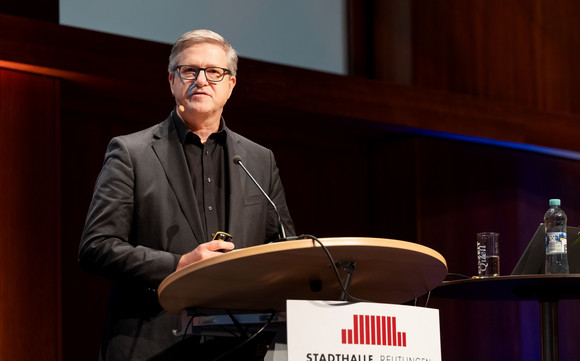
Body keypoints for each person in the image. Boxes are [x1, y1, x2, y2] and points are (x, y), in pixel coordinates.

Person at [79, 29, 295, 361]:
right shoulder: (131, 153)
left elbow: (283, 247)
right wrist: (179, 265)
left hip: (239, 345)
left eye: (214, 72)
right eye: (189, 70)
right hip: (153, 344)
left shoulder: (258, 160)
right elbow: (96, 247)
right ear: (172, 81)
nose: (201, 80)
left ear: (230, 84)